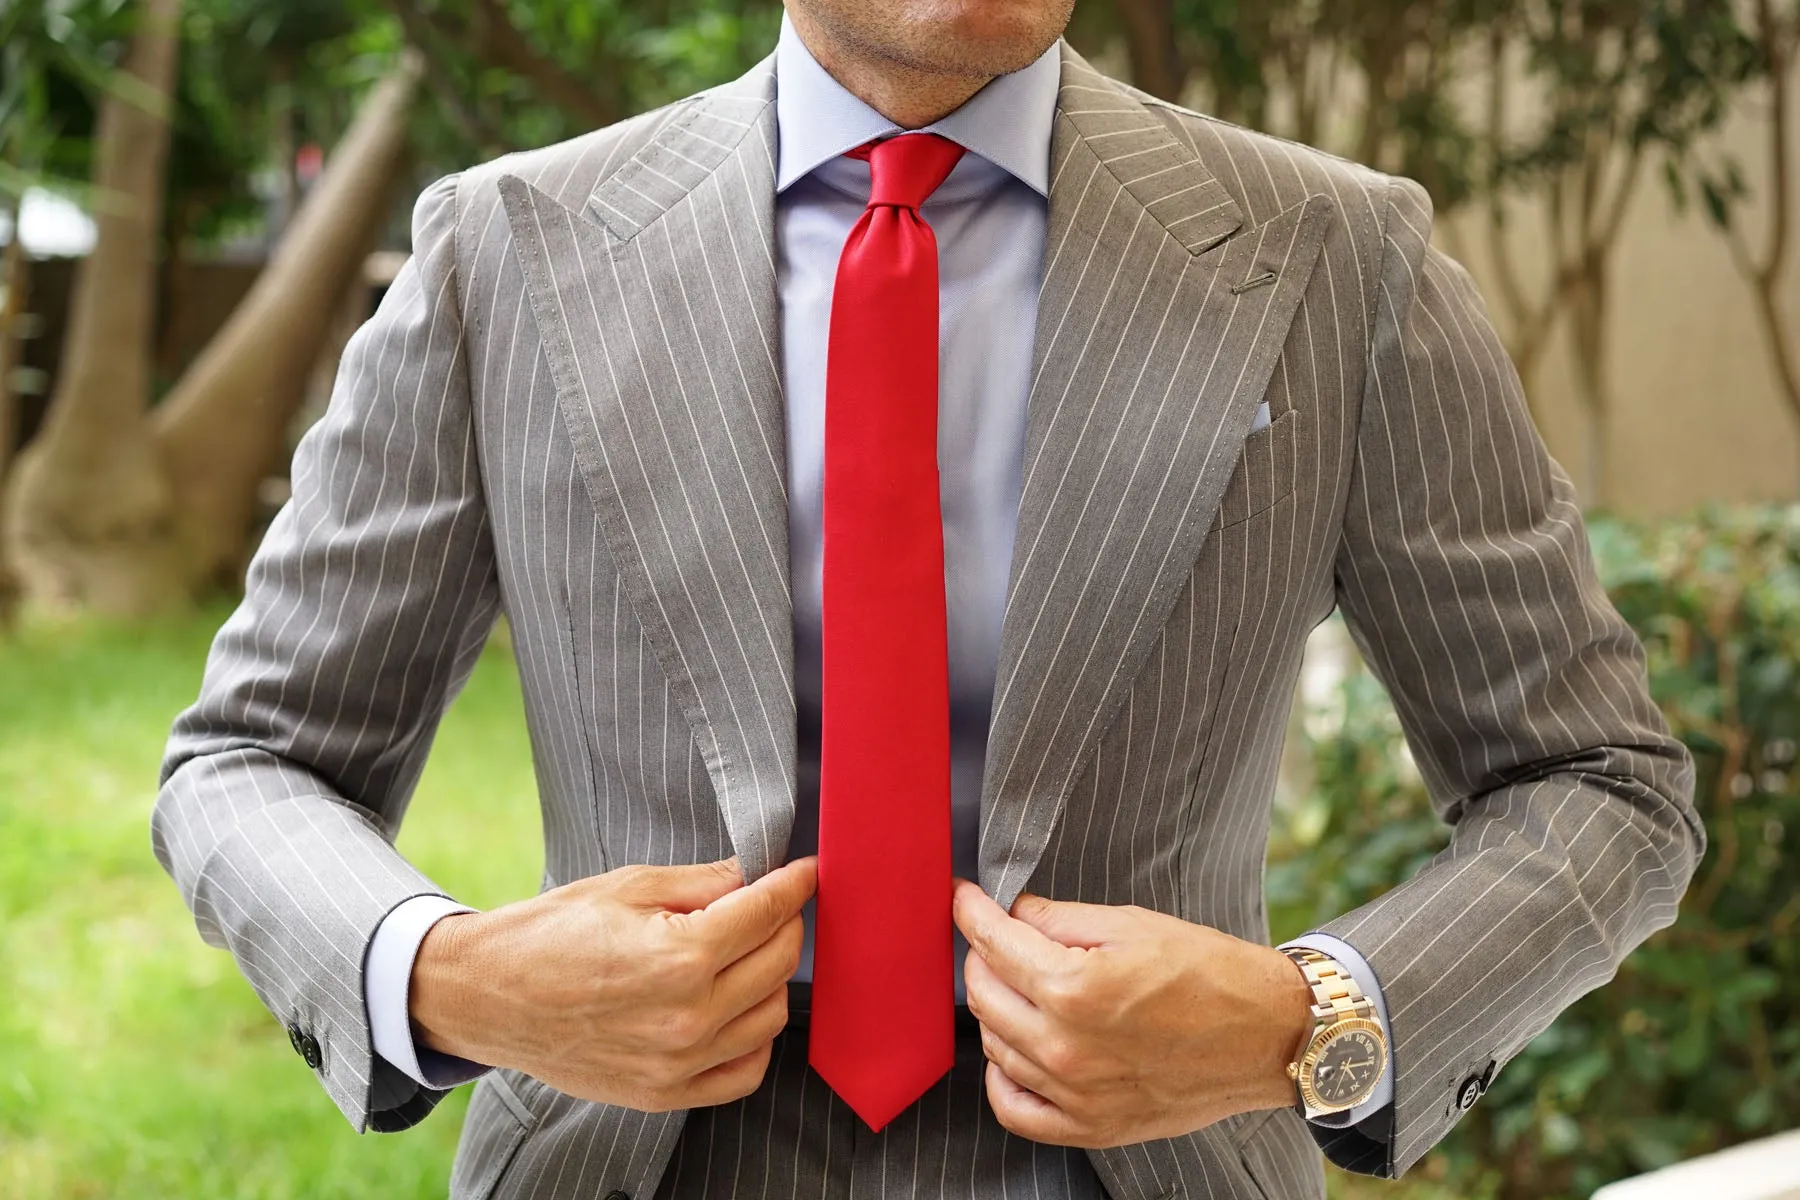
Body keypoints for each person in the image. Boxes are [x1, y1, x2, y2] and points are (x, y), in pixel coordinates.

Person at [151, 1, 1704, 1197]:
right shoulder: (508, 252)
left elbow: (1598, 785)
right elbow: (249, 761)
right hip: (618, 1163)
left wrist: (1308, 1019)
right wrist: (450, 977)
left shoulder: (1339, 262)